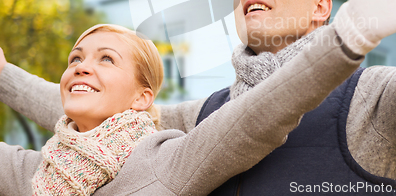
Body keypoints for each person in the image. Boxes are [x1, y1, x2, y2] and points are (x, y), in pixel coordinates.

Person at [2, 0, 396, 195]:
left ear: (321, 7)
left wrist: (357, 30)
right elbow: (98, 106)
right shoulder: (206, 115)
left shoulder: (374, 101)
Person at [0, 22, 363, 195]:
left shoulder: (164, 161)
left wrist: (345, 42)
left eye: (106, 59)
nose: (80, 66)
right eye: (75, 58)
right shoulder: (35, 171)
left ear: (142, 98)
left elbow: (255, 116)